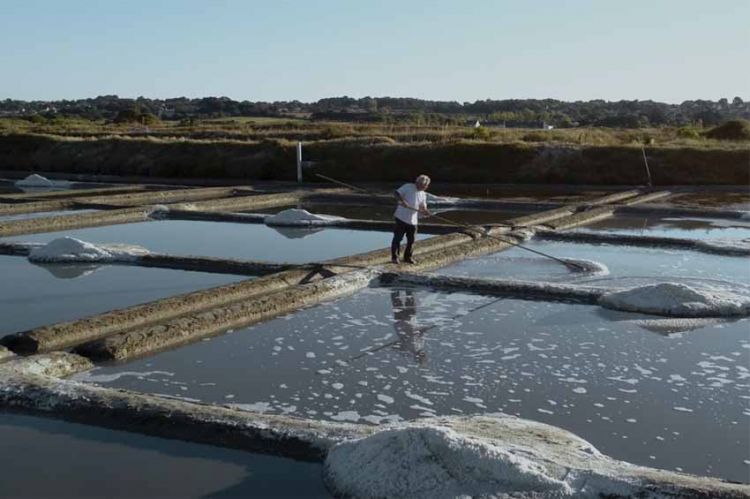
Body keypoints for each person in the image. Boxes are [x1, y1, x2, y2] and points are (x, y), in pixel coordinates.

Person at [391, 174, 432, 264]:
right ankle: (395, 257)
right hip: (401, 217)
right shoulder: (408, 186)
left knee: (412, 240)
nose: (423, 187)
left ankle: (408, 257)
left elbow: (422, 207)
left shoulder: (423, 194)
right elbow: (396, 193)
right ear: (417, 182)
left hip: (413, 220)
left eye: (425, 186)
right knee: (398, 238)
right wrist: (402, 201)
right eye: (421, 185)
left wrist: (425, 212)